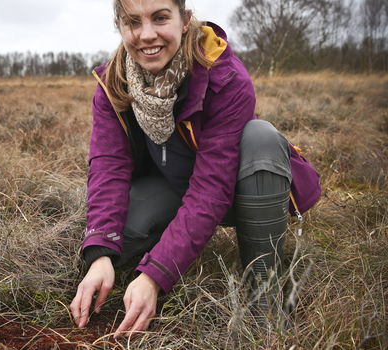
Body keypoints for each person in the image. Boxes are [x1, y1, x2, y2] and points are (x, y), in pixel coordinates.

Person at [70, 0, 321, 337]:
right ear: (119, 23)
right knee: (118, 238)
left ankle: (264, 297)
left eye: (160, 18)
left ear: (184, 20)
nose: (146, 35)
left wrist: (156, 276)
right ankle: (153, 253)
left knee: (261, 137)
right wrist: (99, 253)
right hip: (173, 188)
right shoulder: (112, 83)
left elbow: (212, 188)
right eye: (132, 21)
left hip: (234, 189)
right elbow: (108, 165)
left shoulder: (225, 76)